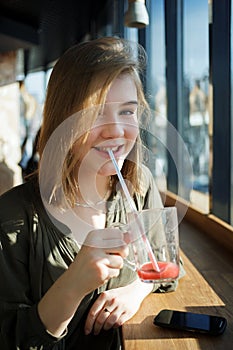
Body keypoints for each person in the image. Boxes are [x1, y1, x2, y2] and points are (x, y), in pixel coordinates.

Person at [0, 37, 183, 350]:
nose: (116, 131)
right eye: (96, 113)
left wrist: (135, 291)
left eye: (127, 112)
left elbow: (166, 269)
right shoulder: (11, 218)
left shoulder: (141, 185)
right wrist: (73, 285)